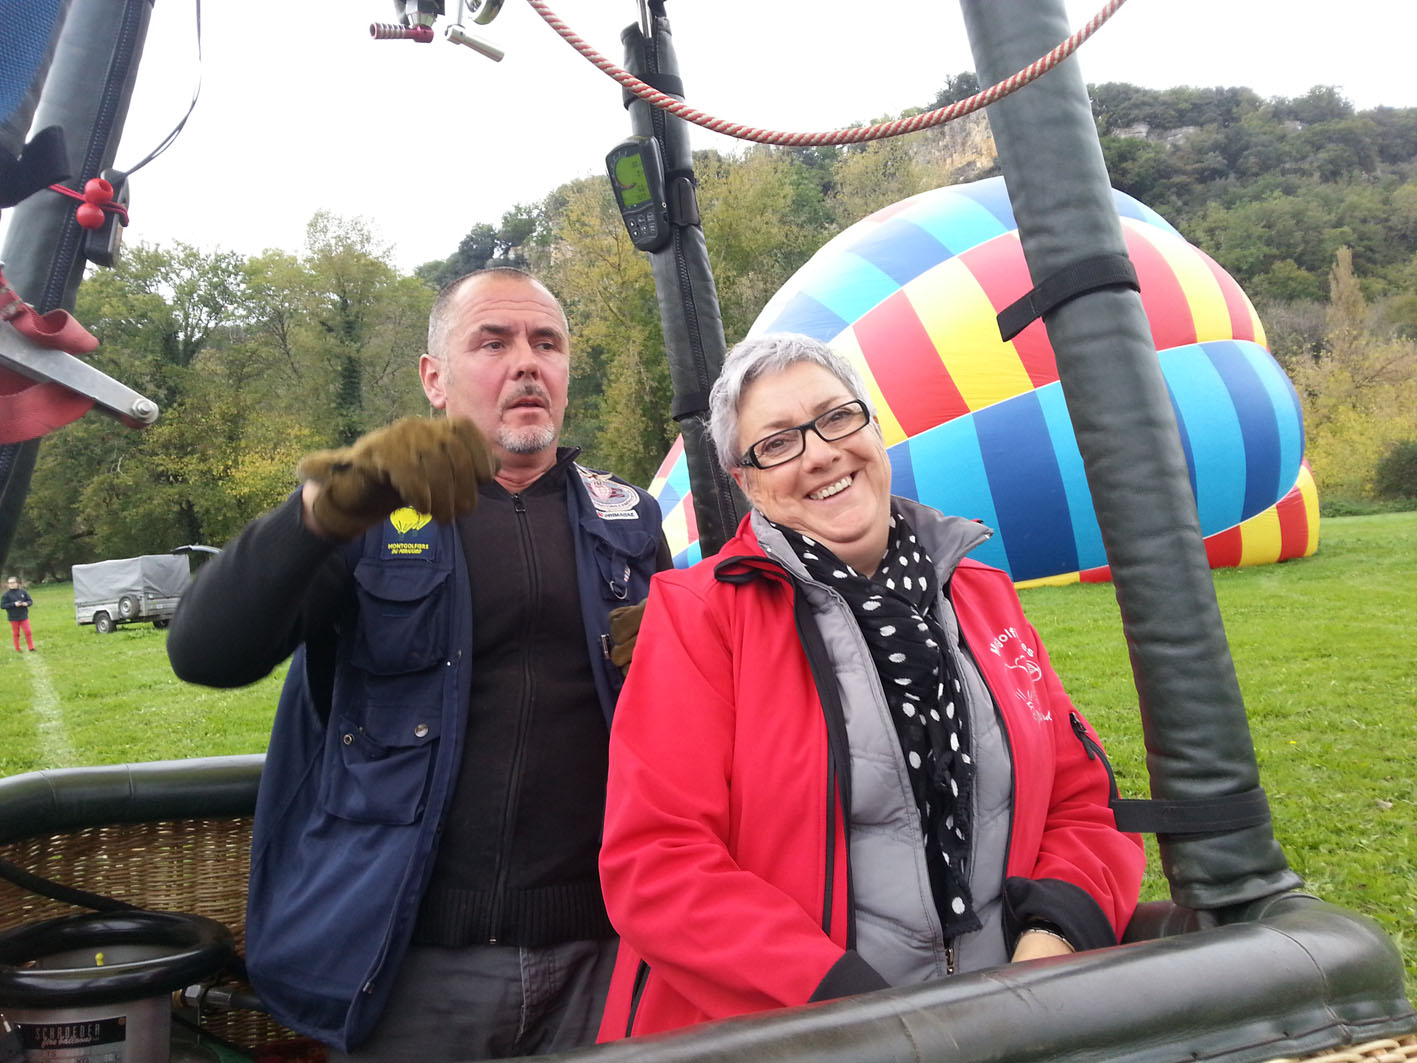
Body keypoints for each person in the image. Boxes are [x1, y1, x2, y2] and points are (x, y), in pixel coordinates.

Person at [168, 268, 670, 1060]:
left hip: (604, 953)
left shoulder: (630, 519)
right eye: (492, 342)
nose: (526, 363)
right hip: (411, 964)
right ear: (434, 379)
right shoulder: (366, 516)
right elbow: (204, 651)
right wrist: (324, 505)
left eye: (548, 343)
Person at [596, 333, 1145, 1041]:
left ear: (873, 426)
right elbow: (657, 862)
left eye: (835, 417)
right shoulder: (701, 615)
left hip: (1008, 1021)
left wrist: (1053, 931)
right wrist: (850, 1008)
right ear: (746, 480)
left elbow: (1081, 797)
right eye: (778, 443)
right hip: (803, 1036)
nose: (820, 453)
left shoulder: (979, 594)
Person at [2, 577, 34, 652]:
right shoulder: (6, 595)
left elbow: (30, 601)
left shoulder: (23, 592)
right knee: (16, 633)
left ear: (17, 583)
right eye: (10, 583)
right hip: (13, 617)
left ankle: (31, 647)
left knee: (28, 631)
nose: (11, 584)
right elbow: (3, 606)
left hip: (23, 616)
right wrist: (14, 604)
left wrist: (26, 603)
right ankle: (17, 648)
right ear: (8, 585)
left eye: (13, 583)